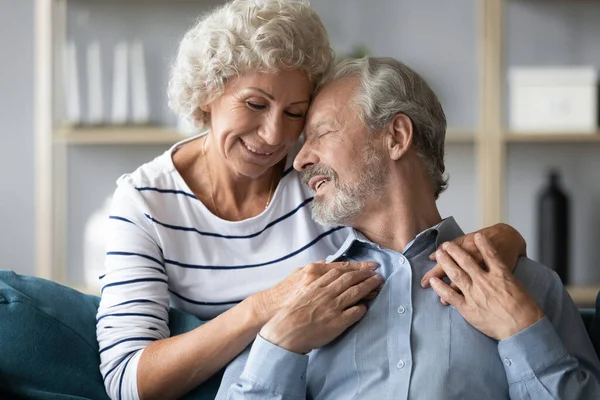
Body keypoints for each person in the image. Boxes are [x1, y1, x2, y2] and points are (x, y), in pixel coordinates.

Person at [96, 1, 525, 399]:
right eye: (255, 103)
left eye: (295, 113)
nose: (274, 137)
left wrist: (504, 241)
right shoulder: (145, 202)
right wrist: (265, 307)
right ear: (209, 92)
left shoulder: (312, 176)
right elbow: (127, 380)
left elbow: (405, 237)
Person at [217, 57, 600, 400]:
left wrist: (522, 330)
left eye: (321, 133)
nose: (300, 160)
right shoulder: (297, 301)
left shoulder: (529, 287)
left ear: (396, 137)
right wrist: (280, 345)